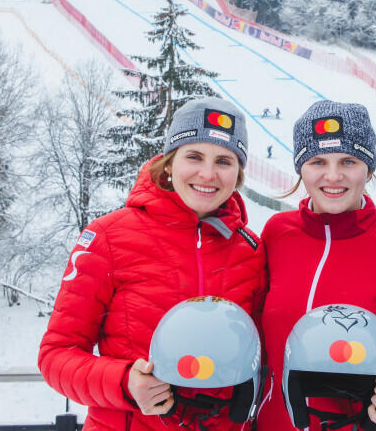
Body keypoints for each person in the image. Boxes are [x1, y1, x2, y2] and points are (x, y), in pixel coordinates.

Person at [38, 97, 267, 430]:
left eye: (224, 161)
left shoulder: (252, 250)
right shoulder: (108, 237)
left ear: (238, 174)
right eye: (194, 156)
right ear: (170, 163)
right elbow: (56, 356)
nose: (208, 173)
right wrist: (124, 382)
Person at [258, 100, 376, 430]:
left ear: (368, 168)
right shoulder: (276, 234)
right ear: (301, 168)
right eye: (317, 161)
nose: (333, 175)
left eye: (348, 161)